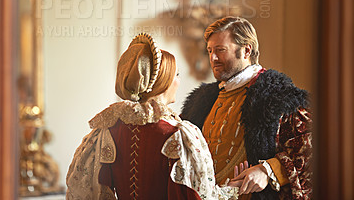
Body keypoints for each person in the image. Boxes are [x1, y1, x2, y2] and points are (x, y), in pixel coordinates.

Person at [66, 33, 239, 200]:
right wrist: (232, 189)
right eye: (176, 74)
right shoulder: (180, 134)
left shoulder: (105, 131)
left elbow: (86, 190)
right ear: (163, 81)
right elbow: (198, 196)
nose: (179, 80)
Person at [181, 17, 312, 200]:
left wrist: (269, 170)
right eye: (210, 51)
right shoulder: (201, 101)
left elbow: (313, 152)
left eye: (220, 50)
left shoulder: (280, 97)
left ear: (246, 50)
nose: (213, 58)